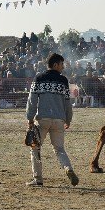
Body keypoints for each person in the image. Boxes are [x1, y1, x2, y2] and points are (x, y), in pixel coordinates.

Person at [25, 53, 79, 187]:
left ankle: (38, 179)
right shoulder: (63, 81)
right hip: (59, 120)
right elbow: (68, 102)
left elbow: (32, 101)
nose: (63, 67)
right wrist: (68, 119)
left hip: (42, 118)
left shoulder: (38, 78)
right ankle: (68, 169)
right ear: (55, 65)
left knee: (35, 147)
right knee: (60, 149)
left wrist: (30, 118)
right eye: (62, 64)